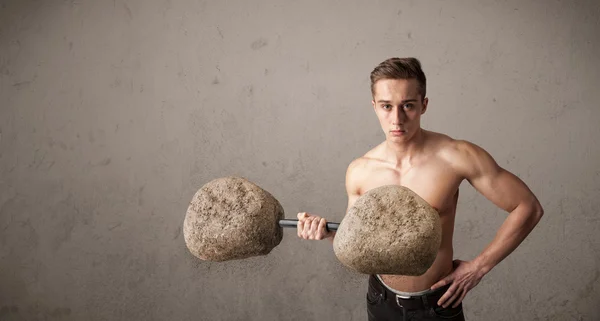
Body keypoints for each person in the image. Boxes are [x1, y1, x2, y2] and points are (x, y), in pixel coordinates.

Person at [296, 57, 544, 321]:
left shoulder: (456, 156)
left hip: (437, 304)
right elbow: (357, 244)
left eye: (408, 106)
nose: (397, 119)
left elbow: (528, 207)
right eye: (386, 106)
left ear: (424, 105)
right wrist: (324, 233)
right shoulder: (360, 171)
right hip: (381, 301)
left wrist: (478, 267)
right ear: (374, 107)